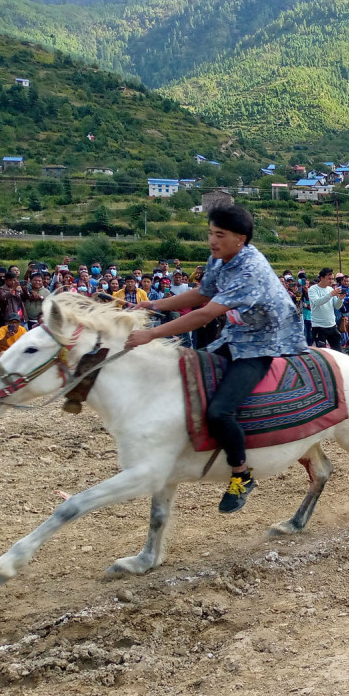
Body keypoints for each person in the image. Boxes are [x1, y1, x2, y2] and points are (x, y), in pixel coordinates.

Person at [124, 204, 307, 513]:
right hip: (234, 335)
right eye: (210, 233)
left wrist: (151, 334)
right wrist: (153, 305)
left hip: (262, 344)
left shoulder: (250, 269)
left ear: (240, 239)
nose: (212, 240)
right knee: (187, 376)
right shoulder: (220, 258)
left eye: (219, 235)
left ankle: (241, 473)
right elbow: (201, 294)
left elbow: (205, 313)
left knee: (220, 412)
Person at [308, 268, 343, 350]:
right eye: (329, 279)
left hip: (332, 324)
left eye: (332, 279)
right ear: (322, 278)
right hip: (319, 326)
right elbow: (317, 302)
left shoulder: (330, 289)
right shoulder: (313, 289)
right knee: (322, 351)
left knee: (338, 350)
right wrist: (331, 294)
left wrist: (340, 299)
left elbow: (337, 306)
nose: (331, 281)